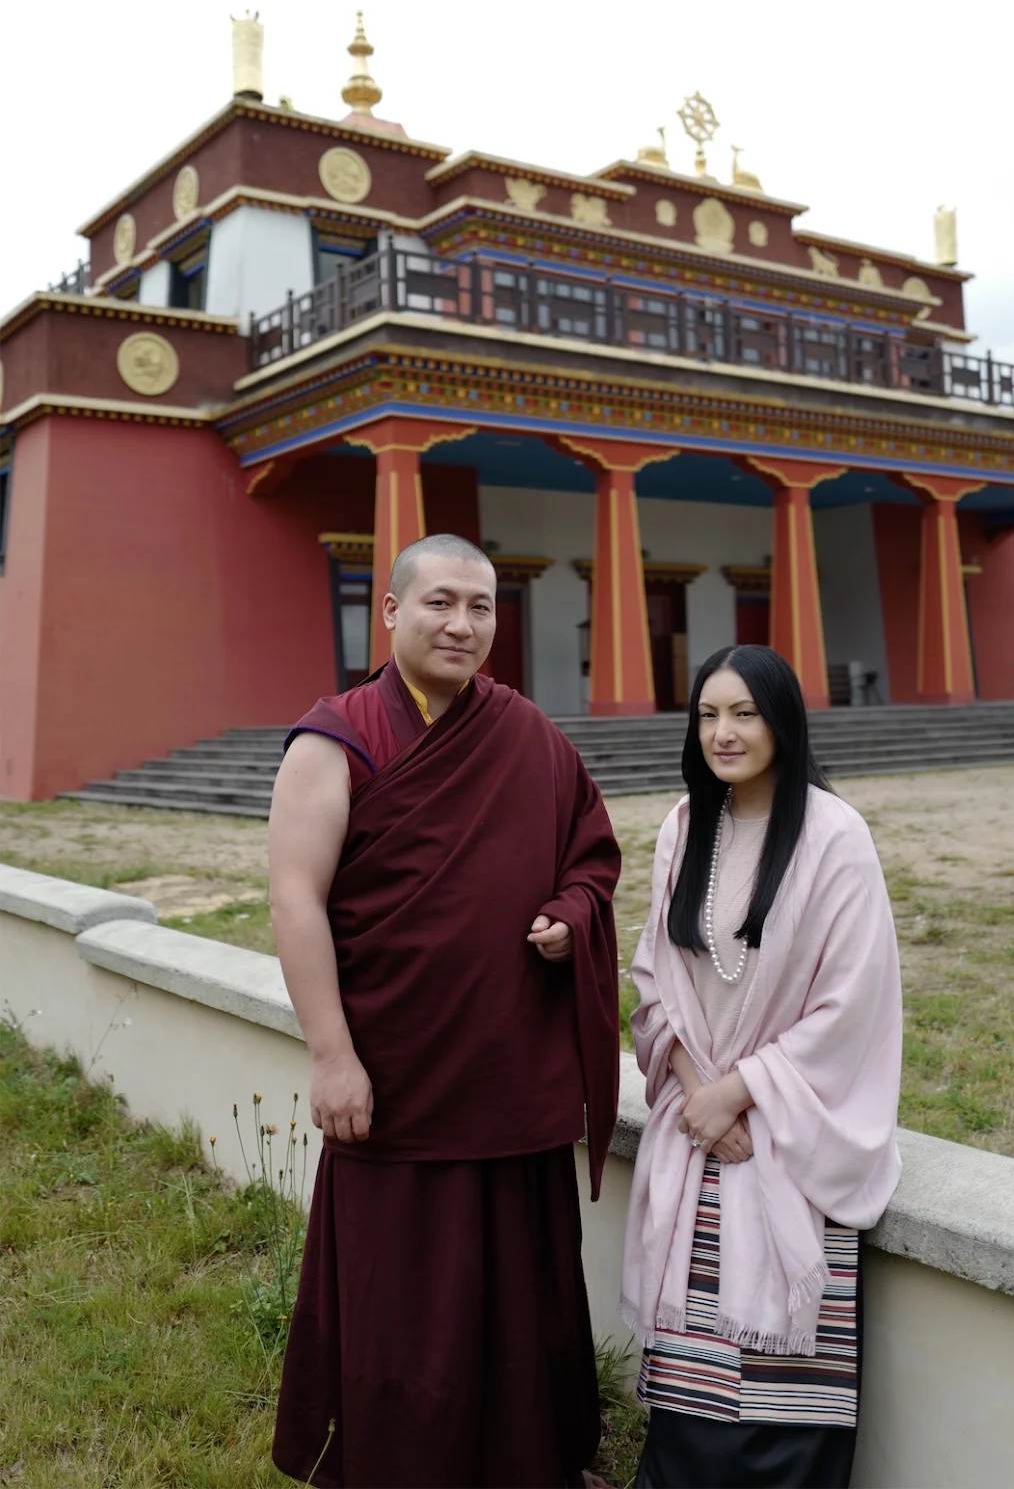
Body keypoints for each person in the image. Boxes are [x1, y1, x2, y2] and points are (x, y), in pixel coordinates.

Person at [268, 533, 622, 1489]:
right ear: (390, 614)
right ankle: (403, 1461)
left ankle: (531, 1457)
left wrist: (570, 913)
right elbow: (295, 898)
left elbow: (591, 854)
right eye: (440, 603)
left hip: (509, 1071)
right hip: (397, 1072)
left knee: (522, 1283)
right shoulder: (335, 737)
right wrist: (331, 1055)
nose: (463, 624)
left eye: (481, 607)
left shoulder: (528, 734)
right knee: (406, 1292)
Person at [620, 644, 902, 1489]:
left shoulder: (833, 836)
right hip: (697, 1125)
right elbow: (652, 973)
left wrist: (745, 1092)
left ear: (782, 719)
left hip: (785, 1132)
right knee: (691, 1389)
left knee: (778, 1404)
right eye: (708, 714)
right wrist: (699, 1090)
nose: (724, 733)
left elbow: (852, 1004)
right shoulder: (683, 825)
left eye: (744, 713)